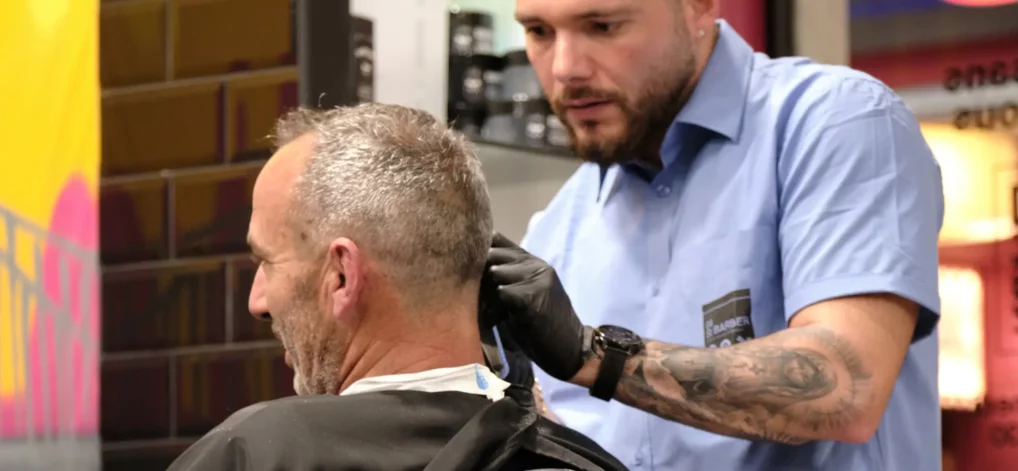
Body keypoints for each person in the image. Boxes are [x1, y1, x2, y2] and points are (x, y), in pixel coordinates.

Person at [481, 0, 944, 470]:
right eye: (539, 32)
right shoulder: (558, 226)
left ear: (699, 7)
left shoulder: (837, 122)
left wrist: (596, 356)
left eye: (603, 26)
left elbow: (847, 384)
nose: (566, 69)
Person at [167, 103, 627, 471]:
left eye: (267, 262)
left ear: (342, 275)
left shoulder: (256, 454)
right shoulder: (579, 461)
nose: (258, 302)